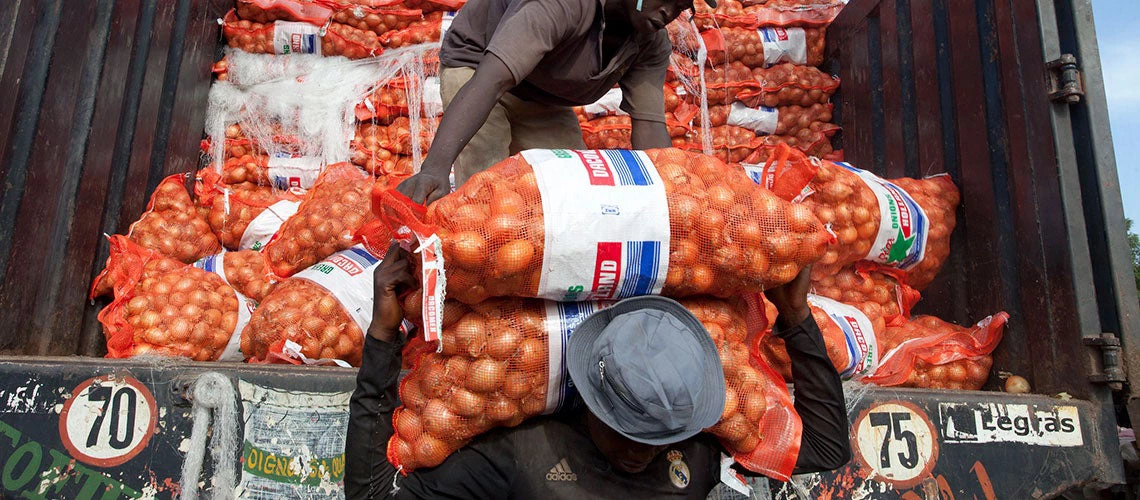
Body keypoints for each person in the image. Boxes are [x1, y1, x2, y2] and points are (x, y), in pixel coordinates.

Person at [344, 243, 851, 499]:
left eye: (656, 437)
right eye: (625, 430)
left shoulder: (694, 444)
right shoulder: (521, 456)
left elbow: (827, 448)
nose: (640, 450)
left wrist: (797, 316)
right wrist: (384, 338)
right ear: (589, 394)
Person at [396, 0, 709, 204]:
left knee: (573, 193)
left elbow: (651, 131)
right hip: (479, 69)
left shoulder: (650, 43)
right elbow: (491, 82)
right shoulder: (563, 4)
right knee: (487, 194)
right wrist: (434, 168)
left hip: (542, 96)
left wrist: (670, 200)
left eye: (681, 5)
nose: (672, 10)